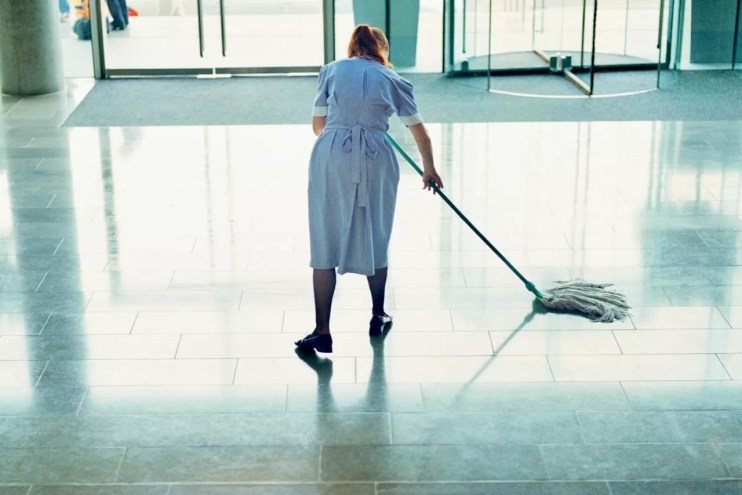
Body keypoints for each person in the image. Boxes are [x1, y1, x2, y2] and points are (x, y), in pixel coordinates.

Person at [295, 25, 443, 354]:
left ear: (352, 47)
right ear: (382, 49)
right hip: (376, 156)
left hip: (331, 154)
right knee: (376, 232)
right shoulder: (393, 80)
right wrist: (429, 169)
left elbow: (318, 126)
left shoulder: (330, 71)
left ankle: (322, 330)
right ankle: (378, 315)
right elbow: (420, 133)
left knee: (324, 236)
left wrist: (344, 123)